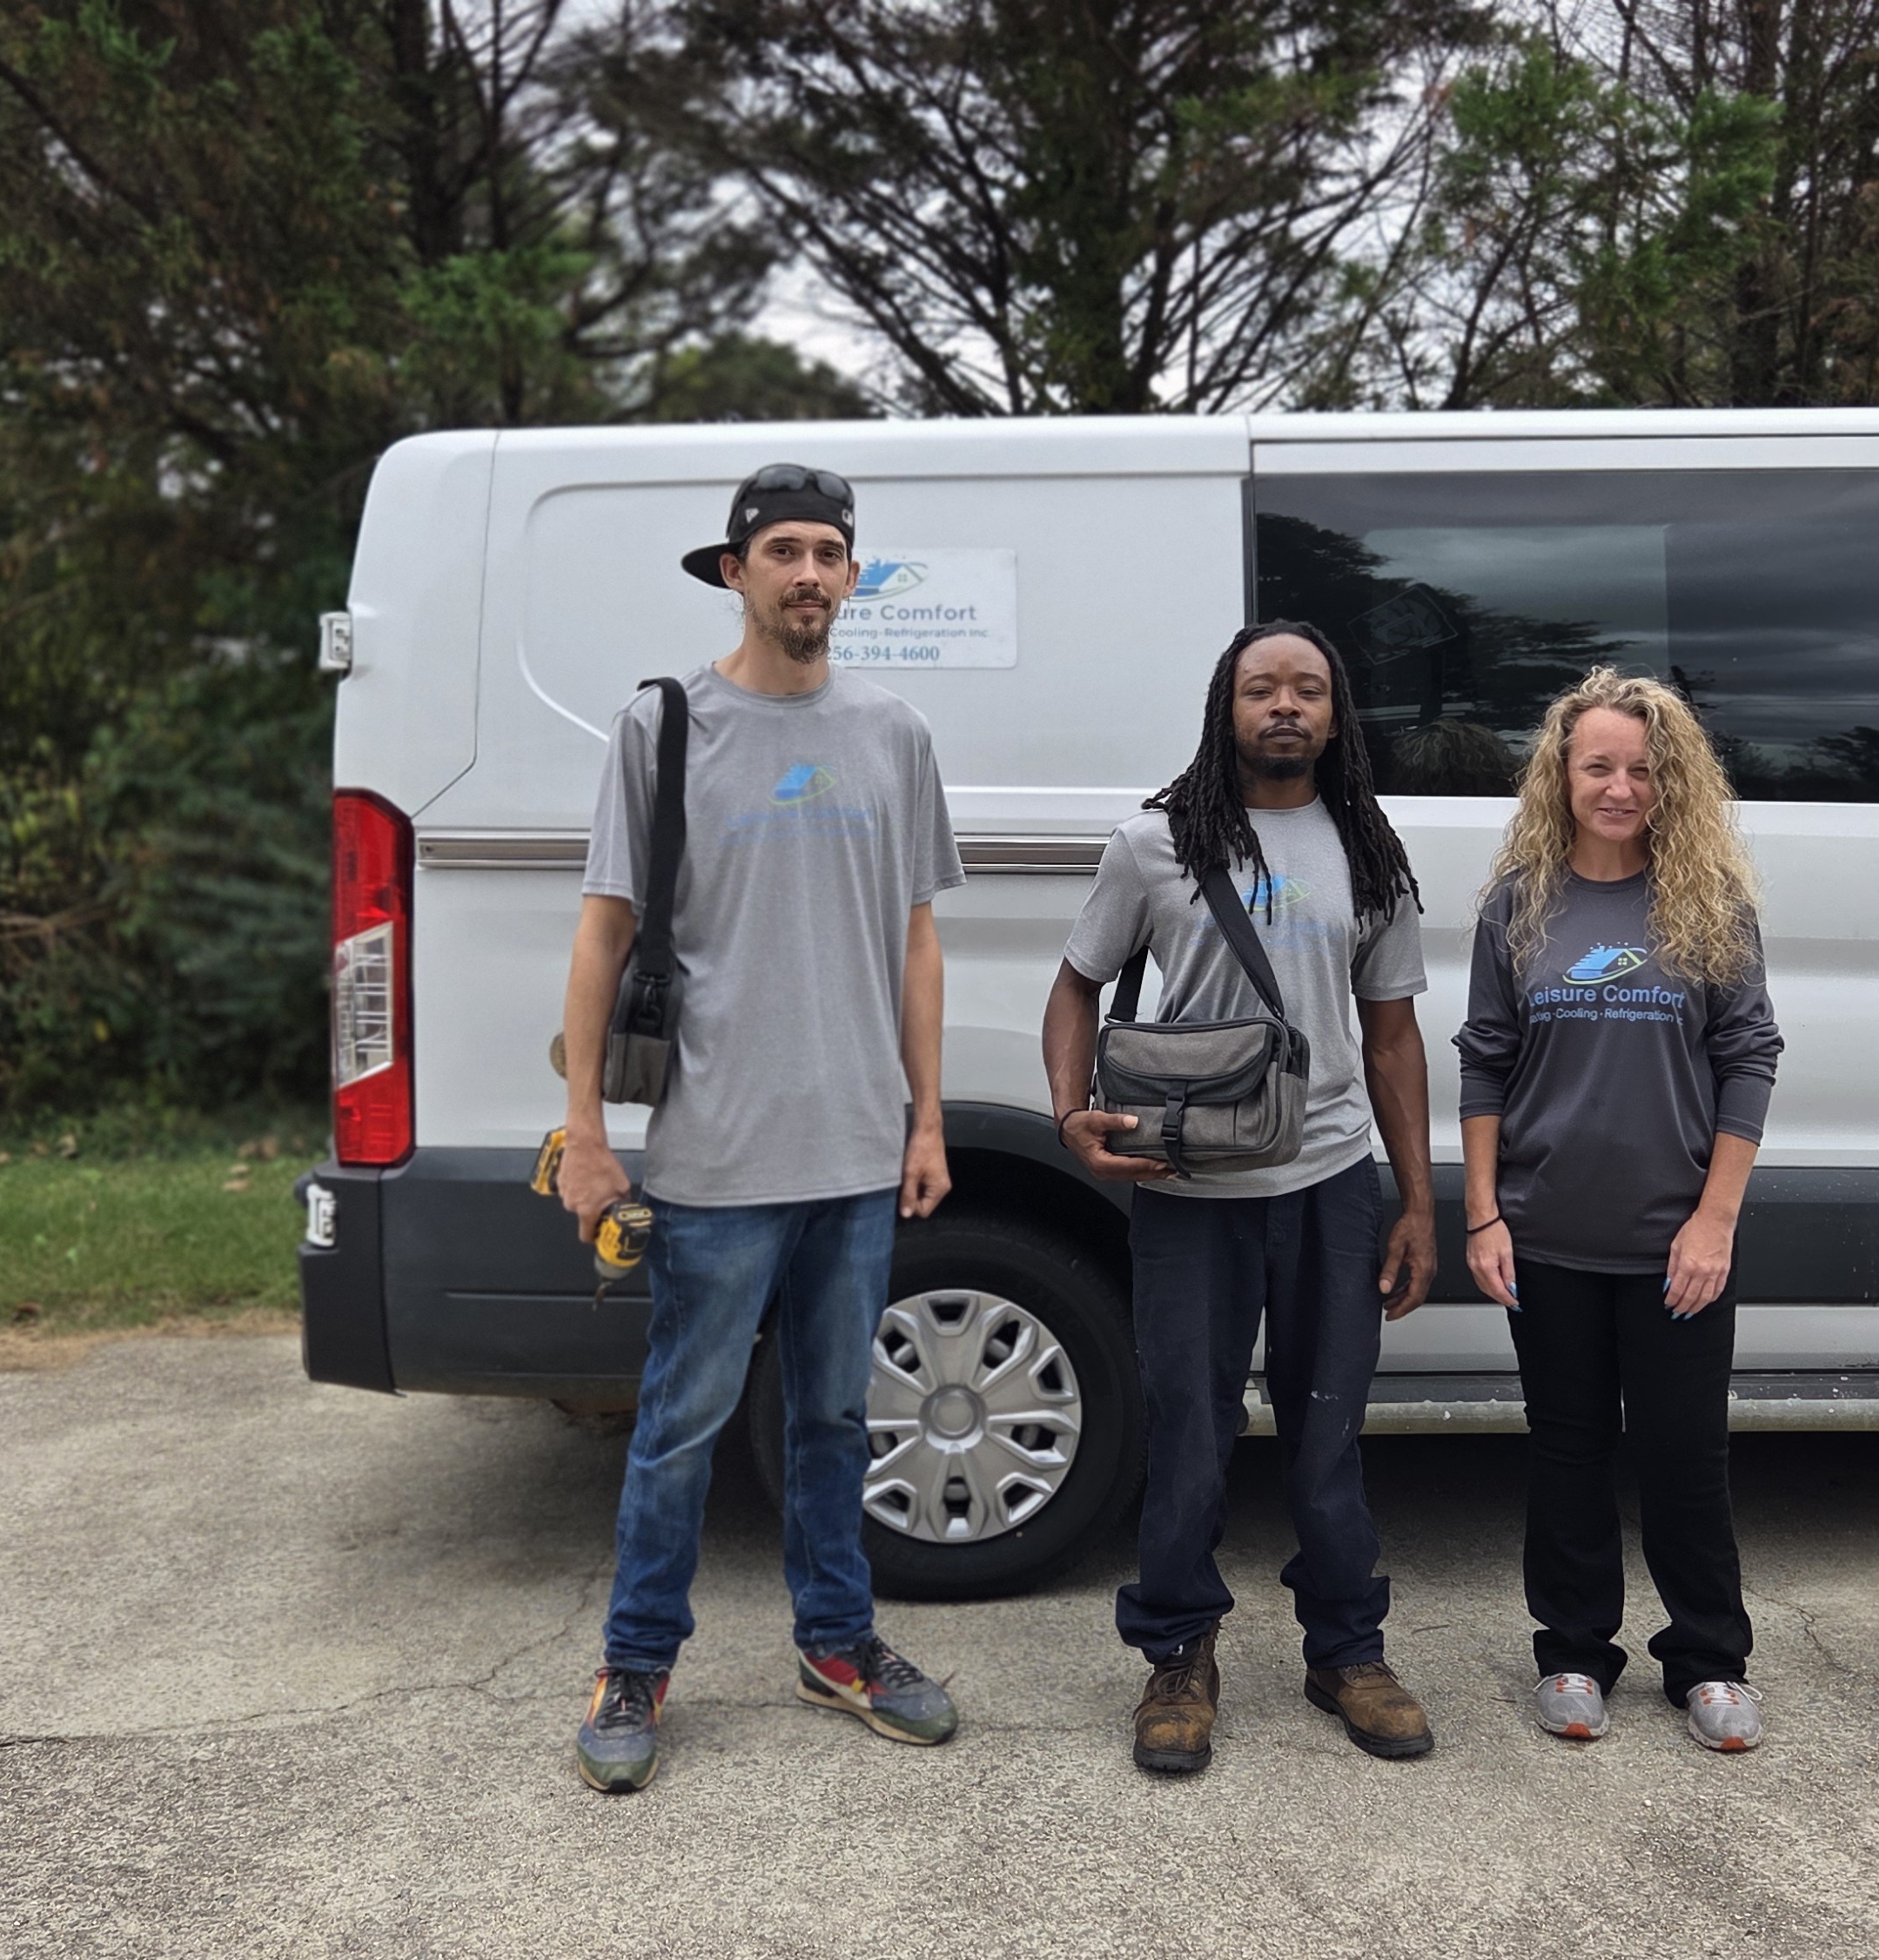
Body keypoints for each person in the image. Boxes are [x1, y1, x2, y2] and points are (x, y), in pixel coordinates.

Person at [554, 464, 965, 1796]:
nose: (808, 574)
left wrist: (925, 1120)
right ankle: (635, 1662)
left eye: (829, 553)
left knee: (835, 1419)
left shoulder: (894, 731)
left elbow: (915, 941)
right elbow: (603, 932)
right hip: (715, 1155)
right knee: (681, 1424)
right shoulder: (665, 727)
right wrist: (585, 1130)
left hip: (854, 1150)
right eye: (782, 550)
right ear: (734, 571)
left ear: (851, 576)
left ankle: (836, 1645)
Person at [1041, 620, 1438, 1775]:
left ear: (1335, 713)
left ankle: (1346, 1650)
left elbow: (1393, 1039)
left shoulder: (1367, 848)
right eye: (1262, 688)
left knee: (1328, 1432)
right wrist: (1070, 1113)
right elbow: (1075, 987)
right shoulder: (1153, 843)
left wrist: (1416, 1203)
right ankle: (1178, 1653)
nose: (1284, 705)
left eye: (1307, 689)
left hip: (1330, 1181)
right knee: (1190, 1433)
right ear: (1227, 706)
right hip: (1189, 1187)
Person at [1453, 667, 1783, 1754]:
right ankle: (1573, 1650)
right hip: (1546, 1237)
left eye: (1642, 769)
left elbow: (1749, 1058)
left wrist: (1715, 1220)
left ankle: (1709, 1658)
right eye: (1598, 765)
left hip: (1673, 1244)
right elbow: (1485, 1060)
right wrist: (1483, 1214)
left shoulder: (1708, 902)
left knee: (1685, 1455)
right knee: (1568, 1451)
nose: (1620, 787)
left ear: (1670, 780)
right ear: (1561, 774)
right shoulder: (1518, 904)